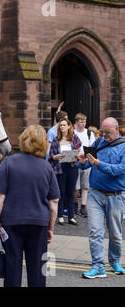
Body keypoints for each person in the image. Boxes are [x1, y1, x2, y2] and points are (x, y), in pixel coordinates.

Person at [0, 125, 60, 287]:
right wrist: (50, 227)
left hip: (11, 222)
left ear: (23, 140)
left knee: (12, 265)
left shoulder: (8, 162)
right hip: (38, 223)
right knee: (38, 268)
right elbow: (54, 203)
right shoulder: (46, 168)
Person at [78, 117, 125, 278]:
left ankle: (115, 260)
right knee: (95, 231)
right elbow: (86, 164)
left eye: (107, 132)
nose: (104, 134)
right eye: (102, 131)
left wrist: (99, 164)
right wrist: (82, 161)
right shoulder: (98, 143)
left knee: (115, 234)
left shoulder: (124, 146)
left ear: (116, 129)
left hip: (116, 196)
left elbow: (119, 170)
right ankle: (98, 266)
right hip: (95, 194)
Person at [48, 119, 82, 226]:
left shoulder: (74, 138)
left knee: (71, 192)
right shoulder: (55, 139)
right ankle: (61, 215)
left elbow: (79, 151)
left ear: (69, 126)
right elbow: (51, 155)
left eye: (64, 125)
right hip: (60, 167)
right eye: (61, 125)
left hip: (72, 166)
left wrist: (77, 155)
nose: (62, 127)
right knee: (61, 192)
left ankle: (71, 216)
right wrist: (57, 156)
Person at [73, 113, 96, 217]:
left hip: (86, 161)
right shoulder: (72, 133)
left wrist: (89, 157)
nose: (83, 123)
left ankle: (83, 206)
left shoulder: (89, 133)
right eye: (81, 121)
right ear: (76, 122)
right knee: (76, 186)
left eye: (84, 121)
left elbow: (93, 147)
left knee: (85, 186)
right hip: (76, 161)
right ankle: (75, 204)